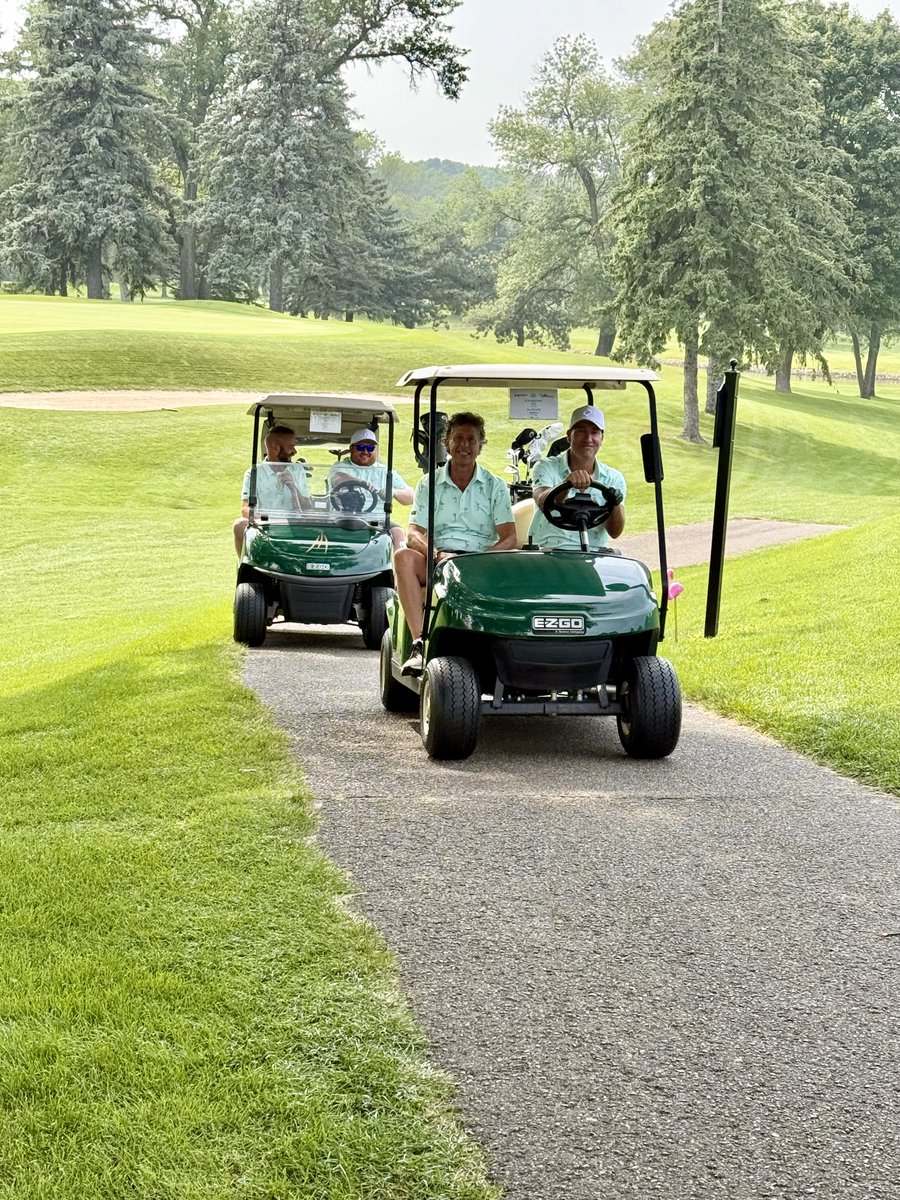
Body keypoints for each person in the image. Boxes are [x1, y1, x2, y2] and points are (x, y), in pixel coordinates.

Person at [394, 410, 517, 674]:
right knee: (402, 557)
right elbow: (414, 533)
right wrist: (437, 554)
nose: (464, 445)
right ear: (446, 442)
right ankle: (419, 644)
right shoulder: (429, 483)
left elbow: (509, 538)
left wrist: (480, 559)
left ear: (480, 446)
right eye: (458, 438)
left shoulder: (494, 486)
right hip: (438, 558)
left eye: (471, 440)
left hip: (479, 560)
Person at [528, 404, 626, 552]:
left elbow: (615, 532)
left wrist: (615, 504)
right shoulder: (545, 466)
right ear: (569, 436)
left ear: (602, 437)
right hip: (549, 551)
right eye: (581, 432)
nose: (588, 438)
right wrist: (565, 485)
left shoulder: (613, 478)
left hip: (594, 554)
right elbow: (543, 501)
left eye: (594, 432)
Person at [326, 427, 414, 548]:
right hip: (344, 518)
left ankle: (397, 567)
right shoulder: (340, 467)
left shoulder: (385, 471)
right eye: (361, 447)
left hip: (376, 521)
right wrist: (359, 482)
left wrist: (393, 492)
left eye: (370, 448)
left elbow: (410, 496)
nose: (365, 451)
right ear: (351, 449)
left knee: (398, 532)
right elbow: (337, 478)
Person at [233, 424, 311, 555]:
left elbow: (308, 508)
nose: (295, 452)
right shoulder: (254, 473)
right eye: (291, 447)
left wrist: (294, 489)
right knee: (239, 524)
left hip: (293, 525)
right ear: (275, 448)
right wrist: (268, 518)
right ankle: (245, 567)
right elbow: (245, 509)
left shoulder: (297, 470)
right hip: (265, 524)